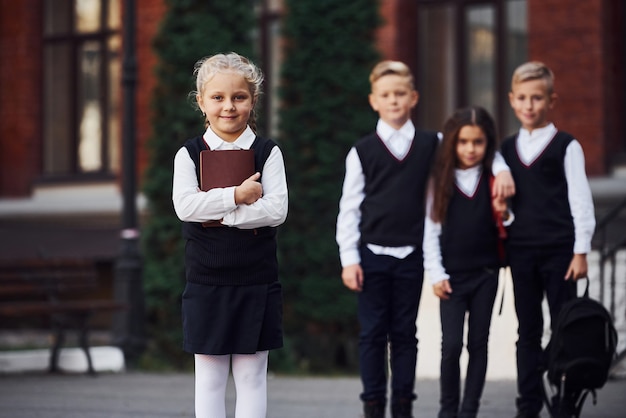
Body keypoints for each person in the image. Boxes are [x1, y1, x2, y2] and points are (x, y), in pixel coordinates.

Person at [335, 60, 515, 418]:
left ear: (413, 97)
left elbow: (476, 149)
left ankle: (403, 404)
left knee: (405, 333)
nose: (394, 101)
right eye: (386, 95)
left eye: (401, 94)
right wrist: (349, 258)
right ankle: (373, 405)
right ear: (374, 101)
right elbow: (349, 208)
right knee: (372, 334)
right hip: (371, 255)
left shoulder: (432, 143)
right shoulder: (363, 151)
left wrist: (503, 168)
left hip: (412, 255)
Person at [172, 52, 288, 418]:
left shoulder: (267, 153)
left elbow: (276, 211)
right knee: (209, 380)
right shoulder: (189, 154)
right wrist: (236, 197)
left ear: (253, 100)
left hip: (256, 280)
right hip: (206, 282)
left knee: (253, 377)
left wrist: (219, 214)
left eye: (239, 97)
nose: (229, 106)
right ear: (201, 101)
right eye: (218, 97)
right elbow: (186, 207)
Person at [501, 61, 596, 418]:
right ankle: (528, 404)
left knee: (564, 329)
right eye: (522, 98)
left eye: (537, 98)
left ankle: (565, 400)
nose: (529, 105)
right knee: (527, 331)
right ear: (512, 100)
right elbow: (505, 208)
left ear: (551, 101)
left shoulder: (566, 146)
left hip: (560, 252)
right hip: (521, 254)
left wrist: (581, 251)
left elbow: (580, 200)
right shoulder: (506, 151)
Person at [423, 106, 511, 418]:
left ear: (487, 144)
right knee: (451, 347)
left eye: (478, 142)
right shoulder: (440, 180)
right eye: (463, 142)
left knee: (478, 343)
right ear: (452, 143)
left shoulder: (494, 178)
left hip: (486, 275)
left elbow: (507, 224)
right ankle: (448, 410)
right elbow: (430, 229)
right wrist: (436, 273)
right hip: (451, 278)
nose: (470, 149)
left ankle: (469, 409)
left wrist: (505, 210)